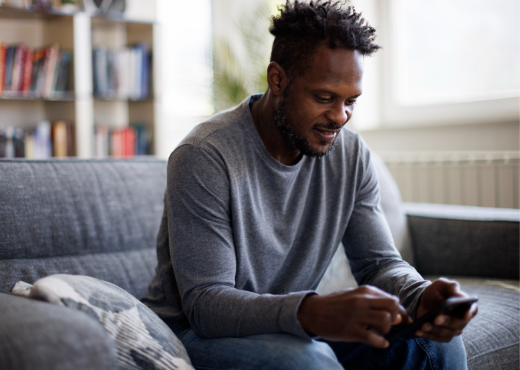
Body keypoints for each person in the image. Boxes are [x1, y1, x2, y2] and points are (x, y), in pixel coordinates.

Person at [142, 1, 477, 368]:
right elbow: (206, 304)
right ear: (278, 79)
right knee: (309, 361)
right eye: (324, 97)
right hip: (195, 336)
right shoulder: (204, 155)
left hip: (292, 328)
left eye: (351, 101)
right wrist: (311, 311)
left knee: (438, 347)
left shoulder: (350, 155)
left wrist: (420, 295)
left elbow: (378, 264)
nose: (340, 117)